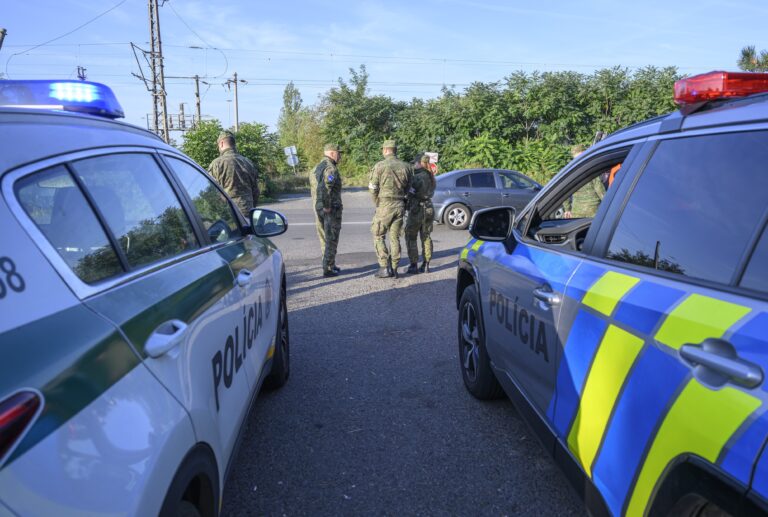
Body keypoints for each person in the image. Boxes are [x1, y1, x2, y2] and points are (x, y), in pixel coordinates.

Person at [369, 139, 414, 279]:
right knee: (395, 237)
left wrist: (376, 201)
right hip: (400, 205)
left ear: (385, 150)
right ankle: (395, 267)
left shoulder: (380, 166)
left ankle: (384, 266)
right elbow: (409, 188)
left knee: (378, 234)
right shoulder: (407, 167)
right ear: (395, 150)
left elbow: (373, 187)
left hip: (385, 205)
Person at [208, 130, 260, 217]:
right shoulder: (248, 162)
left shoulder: (216, 164)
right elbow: (256, 191)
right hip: (247, 212)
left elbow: (211, 192)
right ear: (233, 144)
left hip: (229, 215)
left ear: (221, 144)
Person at [314, 144, 343, 277]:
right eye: (339, 153)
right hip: (329, 208)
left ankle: (330, 263)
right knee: (331, 237)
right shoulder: (330, 168)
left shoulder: (318, 167)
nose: (340, 156)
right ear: (332, 153)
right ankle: (328, 268)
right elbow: (327, 187)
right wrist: (327, 206)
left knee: (324, 238)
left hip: (318, 207)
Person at [404, 154, 436, 274]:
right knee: (426, 236)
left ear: (419, 163)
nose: (413, 165)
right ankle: (426, 264)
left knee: (410, 235)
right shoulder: (431, 176)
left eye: (415, 163)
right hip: (429, 208)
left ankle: (413, 265)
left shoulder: (417, 177)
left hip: (417, 209)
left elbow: (410, 193)